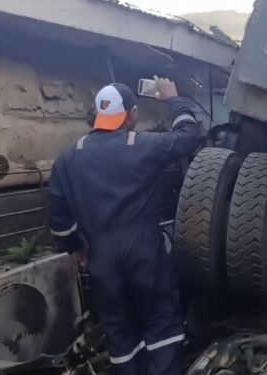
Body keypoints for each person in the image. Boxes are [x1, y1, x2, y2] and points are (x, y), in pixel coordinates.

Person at [47, 77, 202, 375]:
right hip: (145, 252)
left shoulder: (67, 158)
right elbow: (189, 136)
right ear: (131, 113)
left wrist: (78, 247)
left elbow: (58, 218)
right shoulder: (144, 145)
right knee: (161, 323)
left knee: (120, 331)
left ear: (99, 114)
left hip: (101, 257)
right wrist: (172, 98)